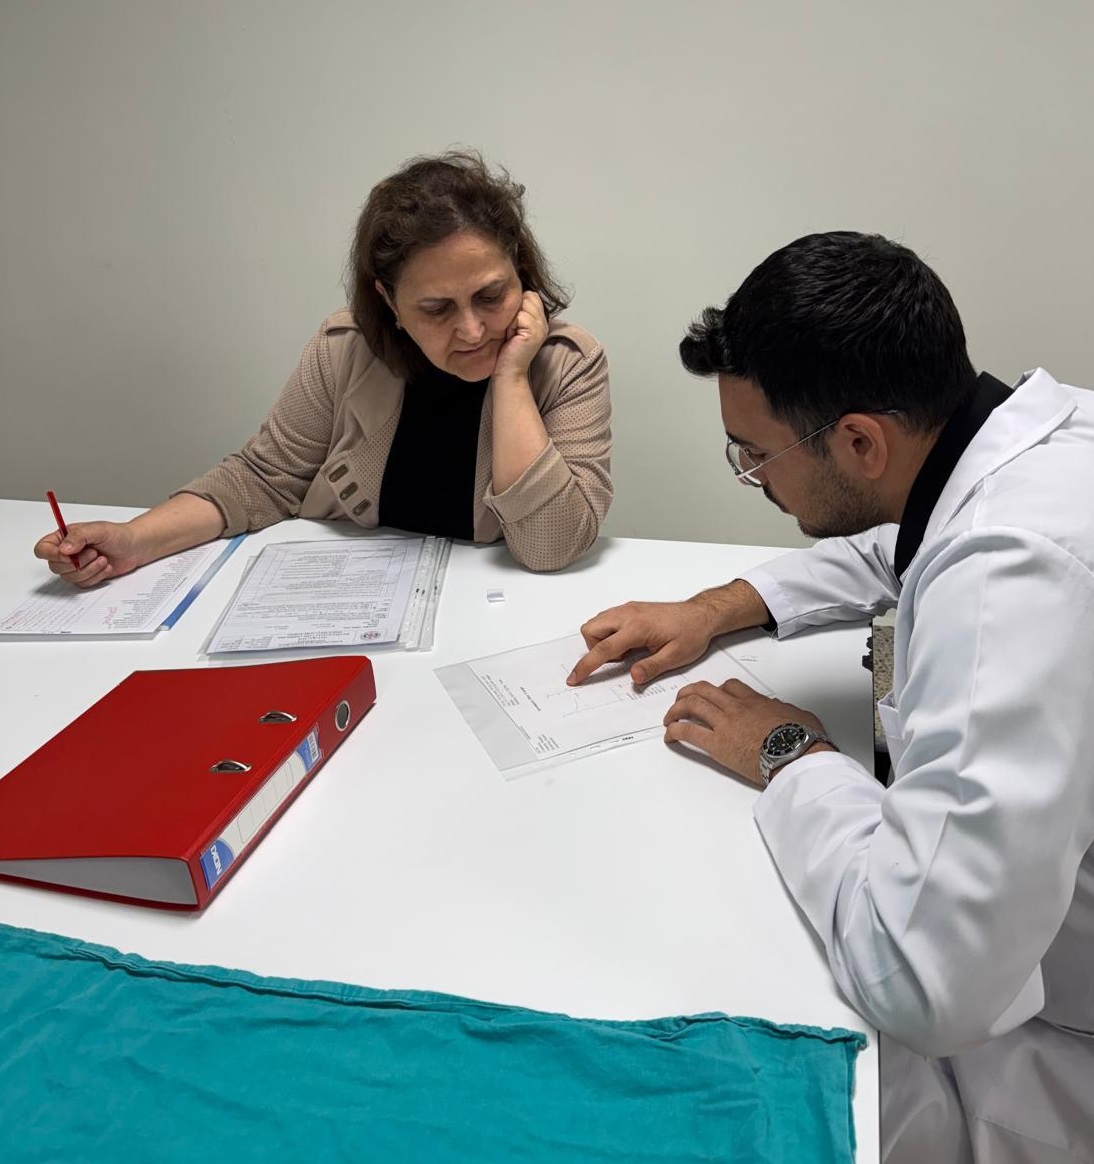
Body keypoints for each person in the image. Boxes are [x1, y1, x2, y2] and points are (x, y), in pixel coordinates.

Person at [567, 232, 1094, 1163]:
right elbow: (903, 544)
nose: (754, 479)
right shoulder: (1029, 444)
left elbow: (923, 981)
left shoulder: (1008, 581)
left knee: (727, 1086)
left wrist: (792, 758)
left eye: (754, 455)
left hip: (1058, 1048)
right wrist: (714, 608)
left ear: (859, 441)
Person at [34, 151, 612, 580]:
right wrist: (134, 540)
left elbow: (551, 546)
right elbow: (262, 480)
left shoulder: (568, 364)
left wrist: (511, 378)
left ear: (520, 274)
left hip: (491, 615)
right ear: (389, 302)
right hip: (345, 606)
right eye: (436, 309)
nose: (472, 330)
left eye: (490, 295)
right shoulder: (345, 349)